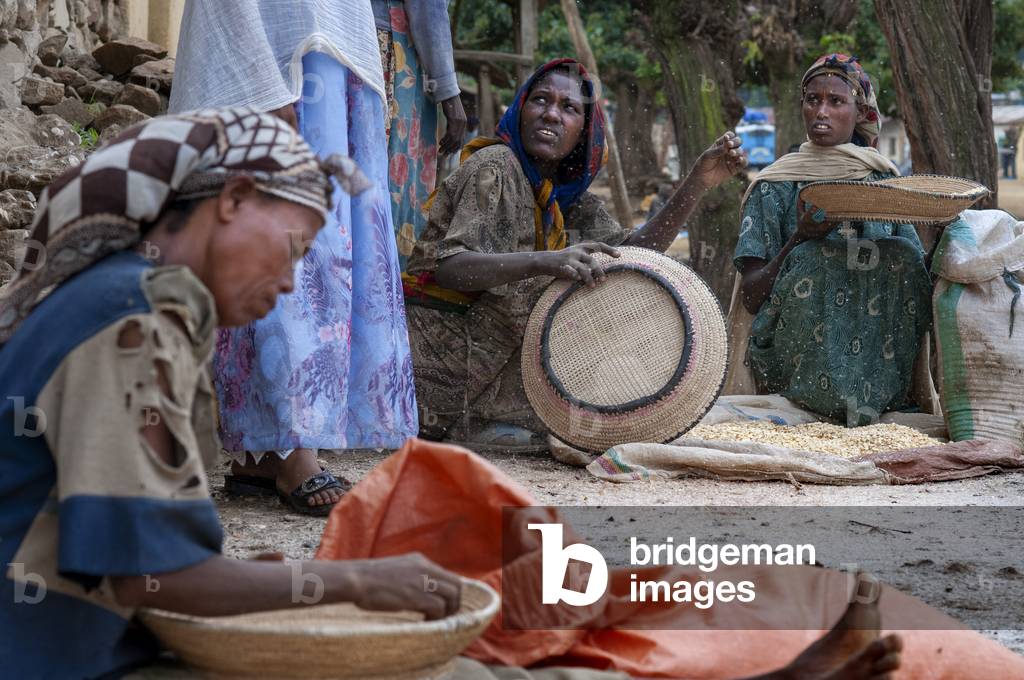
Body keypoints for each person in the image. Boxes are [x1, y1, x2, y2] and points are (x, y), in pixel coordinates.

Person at [0, 109, 463, 678]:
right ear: (235, 198)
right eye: (294, 249)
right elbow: (152, 575)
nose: (292, 279)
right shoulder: (135, 322)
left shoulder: (119, 299)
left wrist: (247, 581)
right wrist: (360, 579)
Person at [403, 58, 746, 450]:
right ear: (519, 110)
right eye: (540, 101)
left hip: (482, 365)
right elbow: (451, 269)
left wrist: (697, 183)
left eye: (568, 109)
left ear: (584, 132)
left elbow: (631, 257)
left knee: (606, 287)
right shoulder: (494, 167)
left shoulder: (562, 198)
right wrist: (545, 260)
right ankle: (476, 420)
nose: (550, 114)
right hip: (437, 369)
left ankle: (494, 419)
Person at [170, 0, 417, 514]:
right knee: (297, 252)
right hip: (286, 63)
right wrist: (262, 81)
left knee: (325, 249)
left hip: (327, 55)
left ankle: (259, 456)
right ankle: (296, 451)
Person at [734, 54, 947, 424]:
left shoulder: (884, 183)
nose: (822, 111)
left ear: (859, 110)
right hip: (793, 371)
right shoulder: (774, 187)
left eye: (836, 101)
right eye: (813, 99)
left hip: (880, 381)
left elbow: (918, 282)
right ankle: (821, 404)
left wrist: (947, 238)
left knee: (900, 255)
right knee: (817, 257)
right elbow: (752, 296)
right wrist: (798, 239)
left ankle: (865, 404)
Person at [373, 0, 467, 264]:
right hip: (394, 53)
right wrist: (450, 96)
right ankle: (389, 286)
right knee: (395, 187)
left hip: (355, 46)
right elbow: (427, 8)